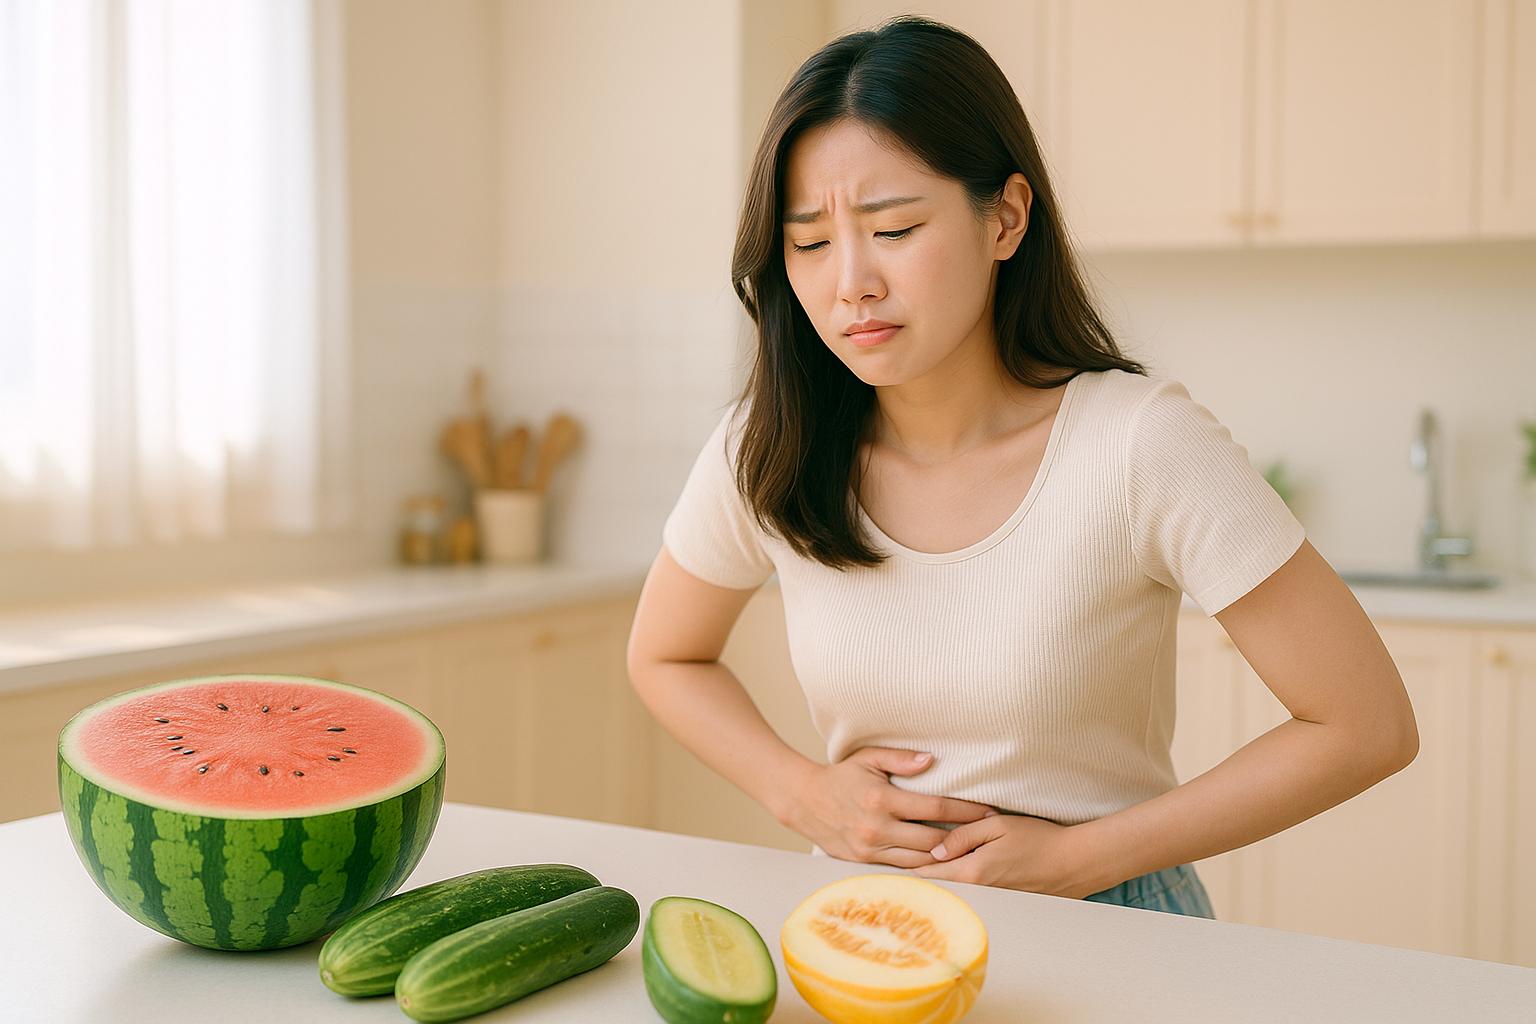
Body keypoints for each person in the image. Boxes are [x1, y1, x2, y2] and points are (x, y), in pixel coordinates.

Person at [625, 16, 1418, 918]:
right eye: (809, 243)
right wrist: (799, 791)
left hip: (1112, 923)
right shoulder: (769, 446)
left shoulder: (1139, 443)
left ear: (1004, 218)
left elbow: (1365, 725)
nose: (850, 283)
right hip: (866, 926)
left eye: (894, 228)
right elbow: (665, 657)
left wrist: (1080, 858)